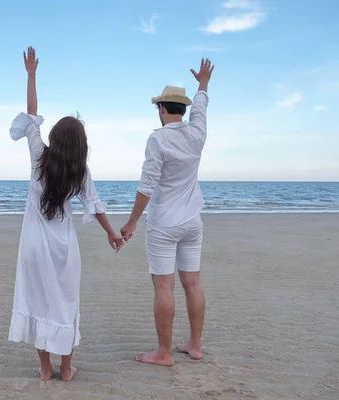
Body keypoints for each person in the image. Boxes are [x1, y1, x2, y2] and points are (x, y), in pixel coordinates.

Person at [7, 46, 125, 381]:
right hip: (63, 250)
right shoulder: (80, 171)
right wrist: (112, 234)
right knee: (65, 303)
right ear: (79, 145)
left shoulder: (39, 157)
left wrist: (31, 74)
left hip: (33, 245)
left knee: (37, 301)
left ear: (56, 138)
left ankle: (45, 367)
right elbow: (96, 204)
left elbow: (32, 115)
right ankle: (67, 367)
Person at [120, 58, 215, 366]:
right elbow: (201, 109)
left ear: (161, 109)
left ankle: (164, 353)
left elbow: (147, 185)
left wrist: (133, 221)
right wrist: (203, 84)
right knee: (193, 283)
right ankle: (195, 345)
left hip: (164, 224)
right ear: (182, 110)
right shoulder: (197, 133)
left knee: (164, 286)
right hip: (192, 221)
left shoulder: (158, 139)